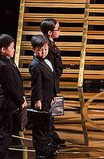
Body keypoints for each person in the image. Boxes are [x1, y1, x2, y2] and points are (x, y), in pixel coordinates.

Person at [0, 34, 27, 158]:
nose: (14, 50)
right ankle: (0, 156)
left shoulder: (8, 62)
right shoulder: (4, 65)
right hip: (6, 104)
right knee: (5, 133)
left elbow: (17, 83)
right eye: (12, 47)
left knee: (8, 132)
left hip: (11, 103)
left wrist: (22, 96)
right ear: (3, 50)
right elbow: (11, 87)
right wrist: (20, 100)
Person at [29, 34, 58, 158]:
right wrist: (38, 100)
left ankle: (46, 145)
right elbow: (36, 85)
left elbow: (52, 78)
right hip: (41, 100)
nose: (43, 52)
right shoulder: (35, 65)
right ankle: (41, 150)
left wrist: (54, 95)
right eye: (40, 50)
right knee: (40, 126)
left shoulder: (47, 60)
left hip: (48, 97)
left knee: (47, 123)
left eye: (45, 49)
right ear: (34, 49)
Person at [40, 18, 66, 146]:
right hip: (48, 85)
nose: (59, 31)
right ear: (50, 32)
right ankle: (48, 139)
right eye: (58, 29)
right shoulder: (46, 47)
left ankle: (52, 135)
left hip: (53, 83)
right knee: (47, 112)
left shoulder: (51, 44)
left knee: (52, 112)